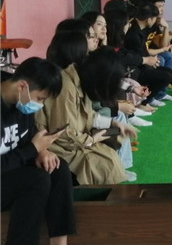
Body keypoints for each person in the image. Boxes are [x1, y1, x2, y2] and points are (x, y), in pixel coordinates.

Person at [1, 58, 102, 245]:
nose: (39, 105)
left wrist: (42, 151)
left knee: (57, 167)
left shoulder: (20, 101)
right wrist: (32, 150)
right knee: (35, 180)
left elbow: (27, 137)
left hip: (10, 171)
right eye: (40, 99)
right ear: (22, 86)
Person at [38, 33, 133, 184]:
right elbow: (62, 134)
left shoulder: (80, 79)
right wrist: (92, 140)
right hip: (57, 146)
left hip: (75, 142)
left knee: (110, 158)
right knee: (104, 165)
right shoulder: (66, 86)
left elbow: (87, 115)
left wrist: (112, 123)